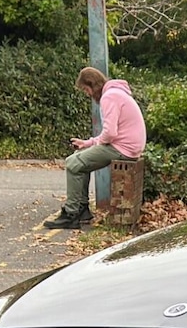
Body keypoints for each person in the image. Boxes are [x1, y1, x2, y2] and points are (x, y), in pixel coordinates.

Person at [45, 66, 147, 229]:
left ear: (93, 85)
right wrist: (87, 143)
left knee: (73, 163)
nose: (88, 94)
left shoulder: (109, 97)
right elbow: (110, 133)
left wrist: (93, 143)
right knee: (79, 161)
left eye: (86, 89)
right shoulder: (116, 93)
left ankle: (71, 214)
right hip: (128, 146)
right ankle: (82, 210)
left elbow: (110, 133)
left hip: (122, 148)